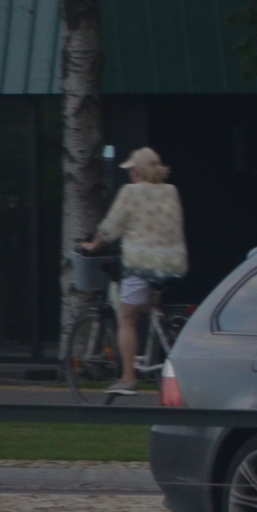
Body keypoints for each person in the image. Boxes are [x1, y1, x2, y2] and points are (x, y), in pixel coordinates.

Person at [80, 146, 187, 393]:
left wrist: (94, 245)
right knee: (147, 307)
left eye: (131, 170)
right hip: (172, 263)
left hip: (142, 263)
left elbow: (112, 225)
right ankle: (162, 329)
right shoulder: (171, 191)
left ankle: (128, 378)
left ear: (137, 171)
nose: (129, 174)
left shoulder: (130, 192)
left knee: (127, 318)